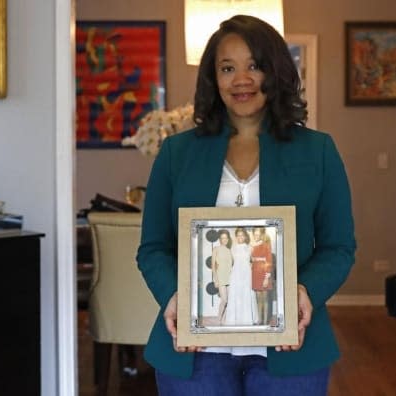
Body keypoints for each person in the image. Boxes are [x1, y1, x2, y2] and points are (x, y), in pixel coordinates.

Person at [137, 14, 356, 396]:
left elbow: (339, 248)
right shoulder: (176, 153)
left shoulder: (319, 151)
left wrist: (305, 291)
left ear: (276, 71)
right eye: (227, 68)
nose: (241, 79)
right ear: (213, 78)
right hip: (196, 350)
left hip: (292, 346)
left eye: (254, 65)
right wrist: (176, 296)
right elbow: (153, 247)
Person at [224, 227, 257, 326]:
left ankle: (248, 319)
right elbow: (229, 263)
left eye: (242, 235)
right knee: (236, 294)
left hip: (247, 274)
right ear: (236, 237)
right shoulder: (232, 248)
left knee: (247, 293)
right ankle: (234, 320)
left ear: (245, 236)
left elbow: (255, 261)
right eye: (238, 235)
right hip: (236, 274)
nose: (240, 237)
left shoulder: (250, 248)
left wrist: (252, 266)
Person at [250, 226, 273, 325]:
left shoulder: (266, 246)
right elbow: (249, 259)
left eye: (258, 235)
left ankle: (265, 320)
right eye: (255, 234)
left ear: (262, 235)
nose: (256, 236)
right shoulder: (251, 246)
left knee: (265, 298)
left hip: (264, 273)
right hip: (255, 273)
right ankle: (259, 319)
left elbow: (269, 262)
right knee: (258, 298)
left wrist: (266, 278)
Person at [211, 229, 233, 324]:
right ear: (220, 239)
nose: (224, 240)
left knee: (230, 300)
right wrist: (215, 280)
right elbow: (213, 266)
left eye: (226, 238)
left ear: (228, 240)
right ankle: (218, 318)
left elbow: (233, 264)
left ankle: (224, 319)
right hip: (221, 277)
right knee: (224, 300)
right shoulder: (216, 249)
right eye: (222, 238)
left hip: (230, 278)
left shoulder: (229, 250)